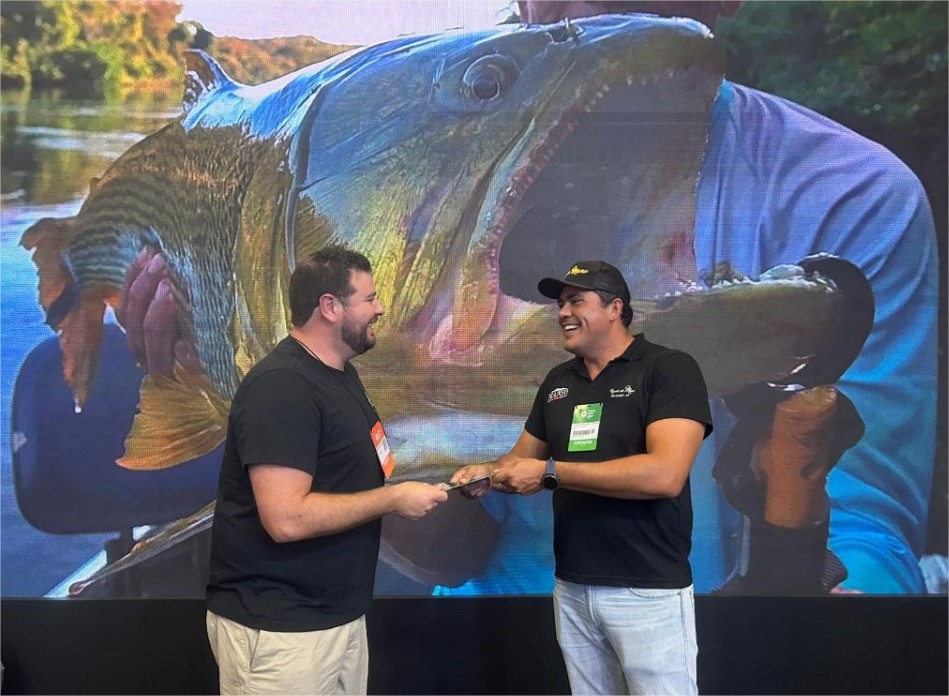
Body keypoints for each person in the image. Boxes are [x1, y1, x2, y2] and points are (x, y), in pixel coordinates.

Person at [515, 0, 939, 595]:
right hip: (487, 638)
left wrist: (828, 618)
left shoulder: (852, 193)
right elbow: (442, 549)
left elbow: (865, 527)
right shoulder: (441, 202)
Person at [452, 259, 713, 695]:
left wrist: (551, 473)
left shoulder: (667, 369)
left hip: (646, 589)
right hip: (572, 587)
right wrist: (488, 474)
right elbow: (521, 459)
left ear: (615, 308)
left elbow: (665, 474)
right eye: (560, 304)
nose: (563, 313)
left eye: (576, 301)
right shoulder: (558, 381)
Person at [205, 245, 448, 695]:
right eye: (369, 298)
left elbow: (347, 478)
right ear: (330, 307)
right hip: (282, 631)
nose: (380, 308)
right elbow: (286, 519)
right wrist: (393, 499)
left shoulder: (339, 374)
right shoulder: (282, 388)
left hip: (337, 617)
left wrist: (437, 485)